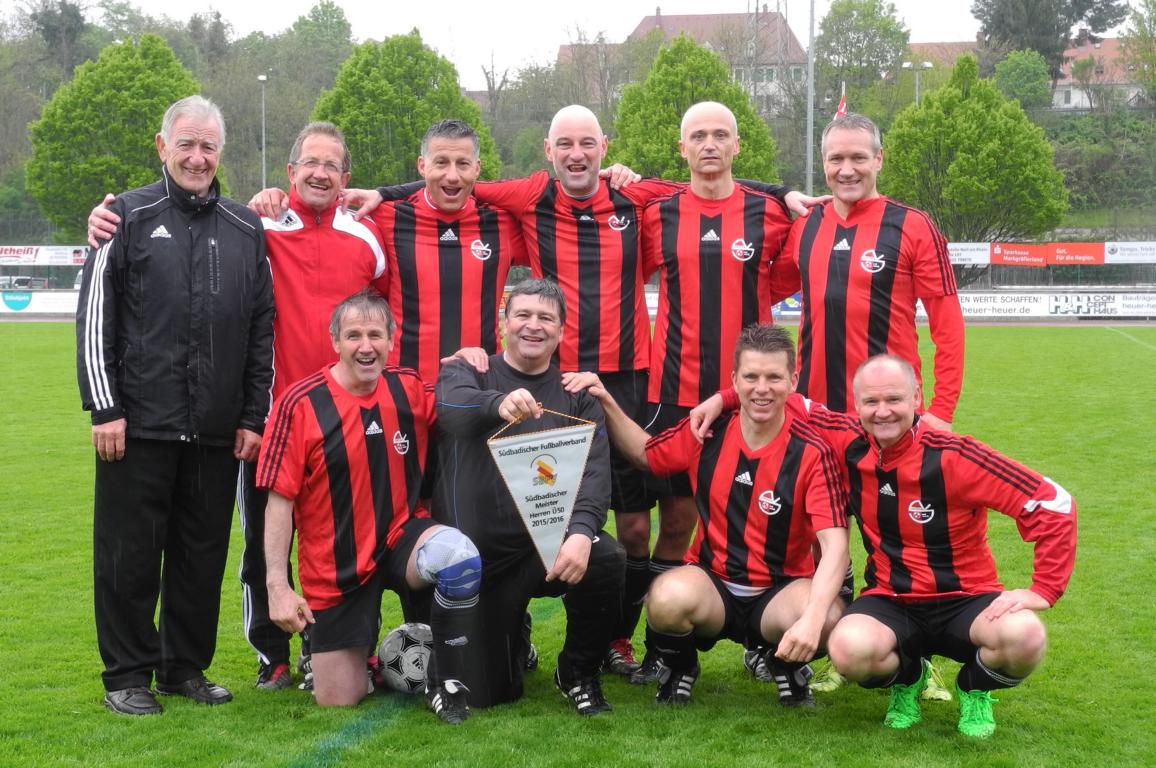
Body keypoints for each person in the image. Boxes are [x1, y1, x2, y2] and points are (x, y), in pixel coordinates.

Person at [87, 121, 392, 691]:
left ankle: (326, 647)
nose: (320, 173)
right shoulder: (259, 223)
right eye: (310, 163)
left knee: (337, 545)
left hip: (334, 419)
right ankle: (269, 656)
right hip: (270, 420)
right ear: (291, 171)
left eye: (331, 165)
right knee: (259, 548)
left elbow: (383, 313)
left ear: (346, 176)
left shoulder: (363, 236)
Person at [695, 354, 1076, 737]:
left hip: (966, 599)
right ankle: (907, 679)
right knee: (847, 649)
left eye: (894, 399)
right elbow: (780, 395)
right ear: (856, 404)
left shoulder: (956, 456)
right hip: (892, 599)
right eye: (871, 401)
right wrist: (723, 399)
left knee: (1026, 637)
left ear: (916, 398)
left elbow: (1052, 503)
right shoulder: (848, 440)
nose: (882, 412)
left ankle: (974, 688)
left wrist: (1043, 589)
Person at [76, 95, 274, 716]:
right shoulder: (124, 217)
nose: (197, 157)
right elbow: (94, 316)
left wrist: (252, 416)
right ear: (163, 147)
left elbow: (260, 329)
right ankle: (126, 676)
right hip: (137, 426)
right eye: (186, 144)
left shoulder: (246, 228)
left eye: (208, 146)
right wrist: (104, 407)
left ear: (221, 152)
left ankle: (183, 668)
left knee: (200, 556)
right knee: (128, 556)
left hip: (216, 430)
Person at [582, 324, 849, 707]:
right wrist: (605, 399)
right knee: (665, 597)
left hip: (780, 592)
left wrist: (812, 617)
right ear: (734, 381)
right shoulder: (707, 431)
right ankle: (682, 667)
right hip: (714, 587)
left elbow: (835, 546)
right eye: (751, 377)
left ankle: (785, 665)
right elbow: (646, 454)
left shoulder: (812, 451)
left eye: (774, 378)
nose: (762, 388)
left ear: (793, 382)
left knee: (827, 619)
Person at [257, 290, 482, 723]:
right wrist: (277, 586)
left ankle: (446, 681)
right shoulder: (300, 404)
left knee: (459, 557)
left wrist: (466, 365)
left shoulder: (407, 388)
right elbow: (279, 501)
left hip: (402, 536)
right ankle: (354, 656)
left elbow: (459, 408)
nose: (366, 346)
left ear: (391, 341)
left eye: (376, 335)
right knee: (338, 697)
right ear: (335, 341)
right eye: (354, 335)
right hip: (336, 563)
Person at [636, 100, 797, 679]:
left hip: (752, 398)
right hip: (676, 393)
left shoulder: (768, 213)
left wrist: (786, 192)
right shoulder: (658, 214)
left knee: (766, 518)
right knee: (678, 520)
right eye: (698, 135)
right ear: (682, 148)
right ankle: (663, 648)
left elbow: (790, 272)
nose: (709, 144)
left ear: (736, 146)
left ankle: (764, 638)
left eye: (720, 134)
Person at [434, 277, 626, 714]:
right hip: (485, 559)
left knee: (606, 557)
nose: (533, 325)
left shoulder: (576, 395)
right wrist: (496, 404)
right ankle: (513, 633)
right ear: (504, 322)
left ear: (561, 331)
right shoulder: (468, 370)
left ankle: (578, 672)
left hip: (548, 547)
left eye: (546, 318)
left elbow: (595, 475)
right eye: (522, 314)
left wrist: (581, 532)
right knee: (493, 694)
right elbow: (450, 408)